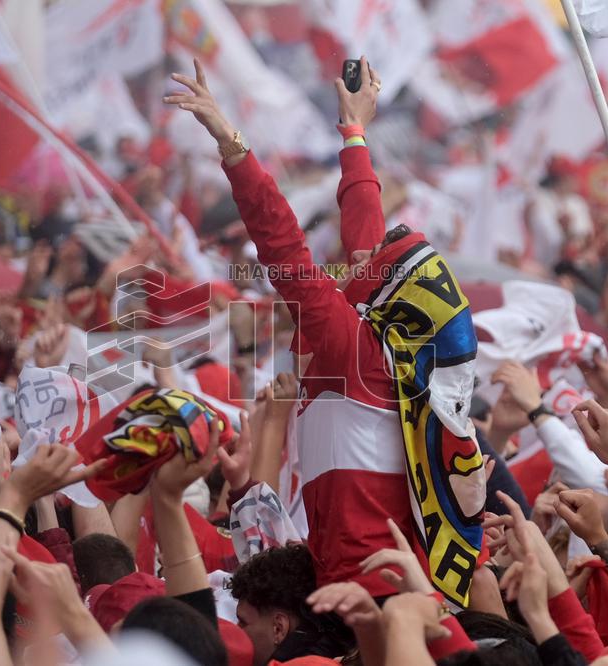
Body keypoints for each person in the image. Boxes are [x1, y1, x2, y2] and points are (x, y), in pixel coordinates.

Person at [165, 58, 486, 608]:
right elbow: (364, 222)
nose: (357, 253)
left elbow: (283, 247)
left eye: (372, 261)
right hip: (356, 582)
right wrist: (354, 132)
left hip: (359, 600)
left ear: (386, 294)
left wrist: (231, 143)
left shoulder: (353, 347)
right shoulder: (389, 344)